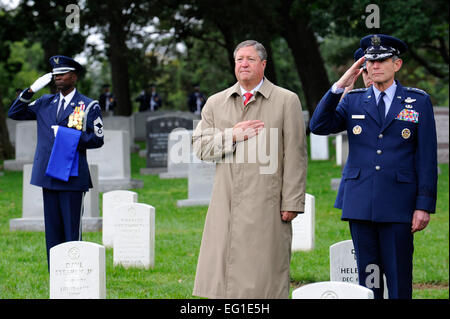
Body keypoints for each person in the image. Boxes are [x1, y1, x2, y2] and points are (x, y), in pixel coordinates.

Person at [309, 34, 438, 299]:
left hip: (399, 203)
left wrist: (423, 205)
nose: (374, 66)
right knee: (368, 280)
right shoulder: (353, 99)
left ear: (397, 64)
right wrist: (340, 85)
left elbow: (426, 157)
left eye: (382, 61)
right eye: (369, 61)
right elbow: (318, 126)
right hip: (361, 202)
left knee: (399, 278)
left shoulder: (418, 101)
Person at [192, 40, 307, 298]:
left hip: (267, 201)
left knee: (263, 274)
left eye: (250, 59)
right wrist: (232, 135)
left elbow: (295, 154)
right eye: (239, 59)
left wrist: (292, 201)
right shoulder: (215, 102)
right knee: (223, 273)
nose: (243, 64)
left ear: (263, 65)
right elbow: (200, 148)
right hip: (226, 200)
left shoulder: (286, 100)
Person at [8, 55, 104, 269]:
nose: (58, 78)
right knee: (52, 231)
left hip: (72, 176)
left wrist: (67, 136)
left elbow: (97, 139)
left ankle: (75, 273)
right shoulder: (44, 103)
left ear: (74, 77)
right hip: (49, 175)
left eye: (63, 74)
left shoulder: (88, 106)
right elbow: (14, 113)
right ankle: (57, 275)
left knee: (71, 231)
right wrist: (31, 90)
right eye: (55, 75)